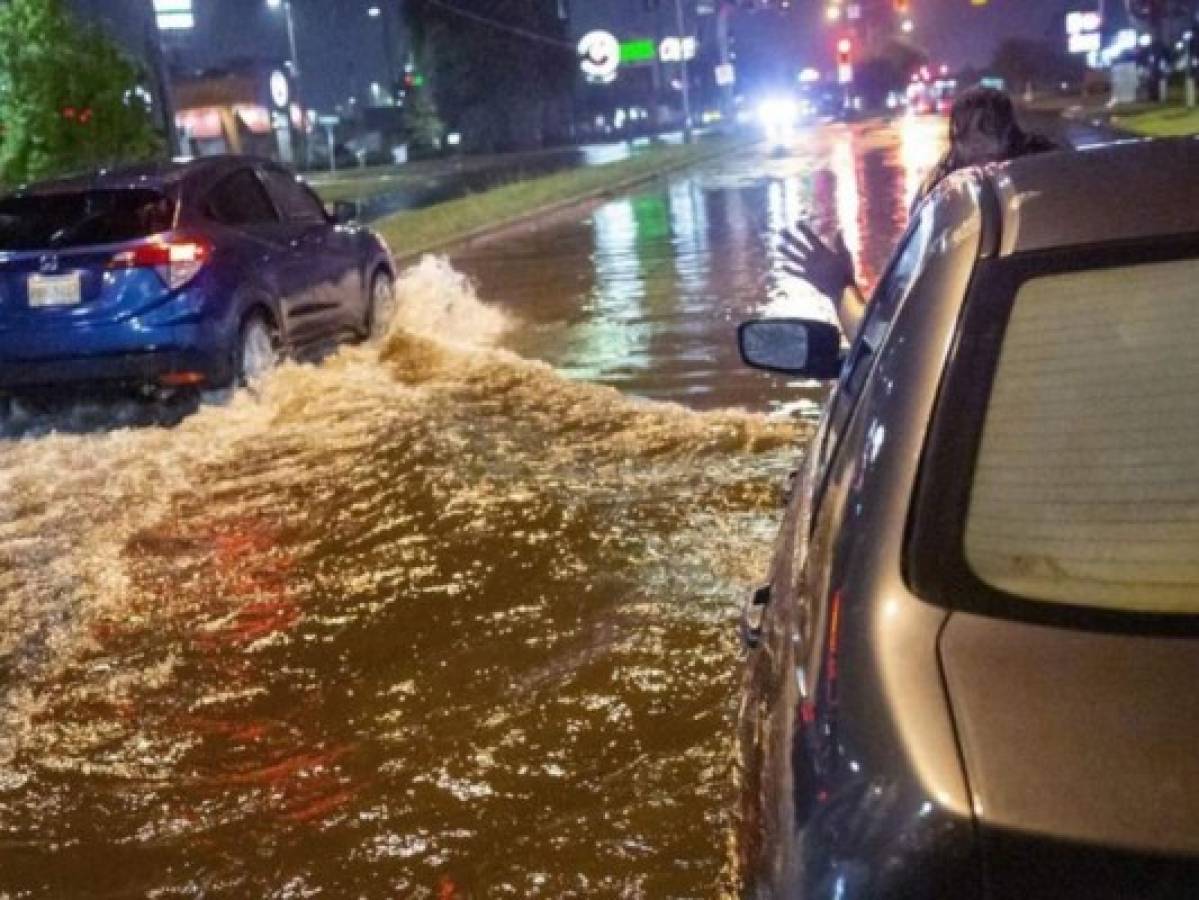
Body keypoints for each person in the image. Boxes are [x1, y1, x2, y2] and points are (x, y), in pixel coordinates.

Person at [780, 87, 1058, 342]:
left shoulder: (945, 223)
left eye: (987, 132)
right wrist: (839, 287)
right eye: (966, 136)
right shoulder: (1065, 192)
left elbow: (878, 344)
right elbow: (882, 339)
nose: (977, 148)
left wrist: (839, 288)